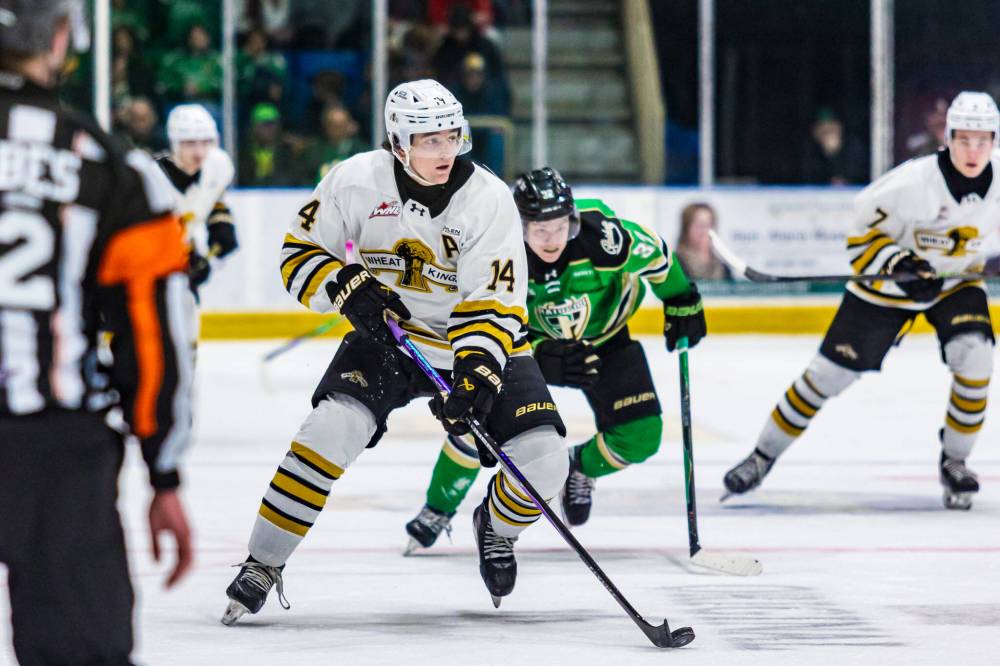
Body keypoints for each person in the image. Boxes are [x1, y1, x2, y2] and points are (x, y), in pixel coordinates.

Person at [221, 79, 569, 622]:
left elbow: (495, 298)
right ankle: (263, 562)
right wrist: (343, 285)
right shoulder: (354, 180)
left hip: (476, 344)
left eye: (452, 136)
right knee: (326, 433)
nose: (446, 151)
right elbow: (298, 253)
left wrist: (477, 368)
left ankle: (496, 528)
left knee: (547, 462)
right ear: (398, 143)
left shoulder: (489, 198)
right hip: (390, 339)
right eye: (430, 140)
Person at [0, 1, 194, 663]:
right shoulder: (109, 164)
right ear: (61, 37)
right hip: (55, 453)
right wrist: (164, 472)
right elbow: (154, 333)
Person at [404, 167, 707, 551]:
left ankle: (578, 466)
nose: (552, 239)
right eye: (541, 229)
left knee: (641, 436)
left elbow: (657, 256)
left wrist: (680, 298)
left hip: (607, 338)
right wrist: (542, 356)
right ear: (520, 226)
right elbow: (477, 314)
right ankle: (438, 507)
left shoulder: (604, 237)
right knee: (472, 421)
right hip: (524, 349)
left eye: (560, 227)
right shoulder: (496, 250)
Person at [723, 91, 1000, 511]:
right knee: (826, 378)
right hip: (885, 291)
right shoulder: (911, 183)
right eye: (964, 140)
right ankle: (761, 456)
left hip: (956, 284)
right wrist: (899, 264)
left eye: (982, 141)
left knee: (976, 359)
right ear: (949, 138)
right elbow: (860, 233)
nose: (973, 151)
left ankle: (955, 462)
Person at [156, 103, 237, 299]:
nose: (199, 153)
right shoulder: (153, 177)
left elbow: (215, 197)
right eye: (190, 143)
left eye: (206, 142)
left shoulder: (219, 165)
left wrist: (220, 220)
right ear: (174, 144)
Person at [801, 108, 867, 185]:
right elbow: (808, 180)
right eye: (823, 129)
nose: (827, 133)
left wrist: (835, 154)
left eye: (830, 128)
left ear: (839, 126)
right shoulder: (808, 151)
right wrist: (828, 154)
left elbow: (860, 176)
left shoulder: (854, 147)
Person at [675, 202, 731, 281]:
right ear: (686, 228)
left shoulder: (723, 268)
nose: (706, 231)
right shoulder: (675, 264)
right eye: (700, 225)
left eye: (710, 225)